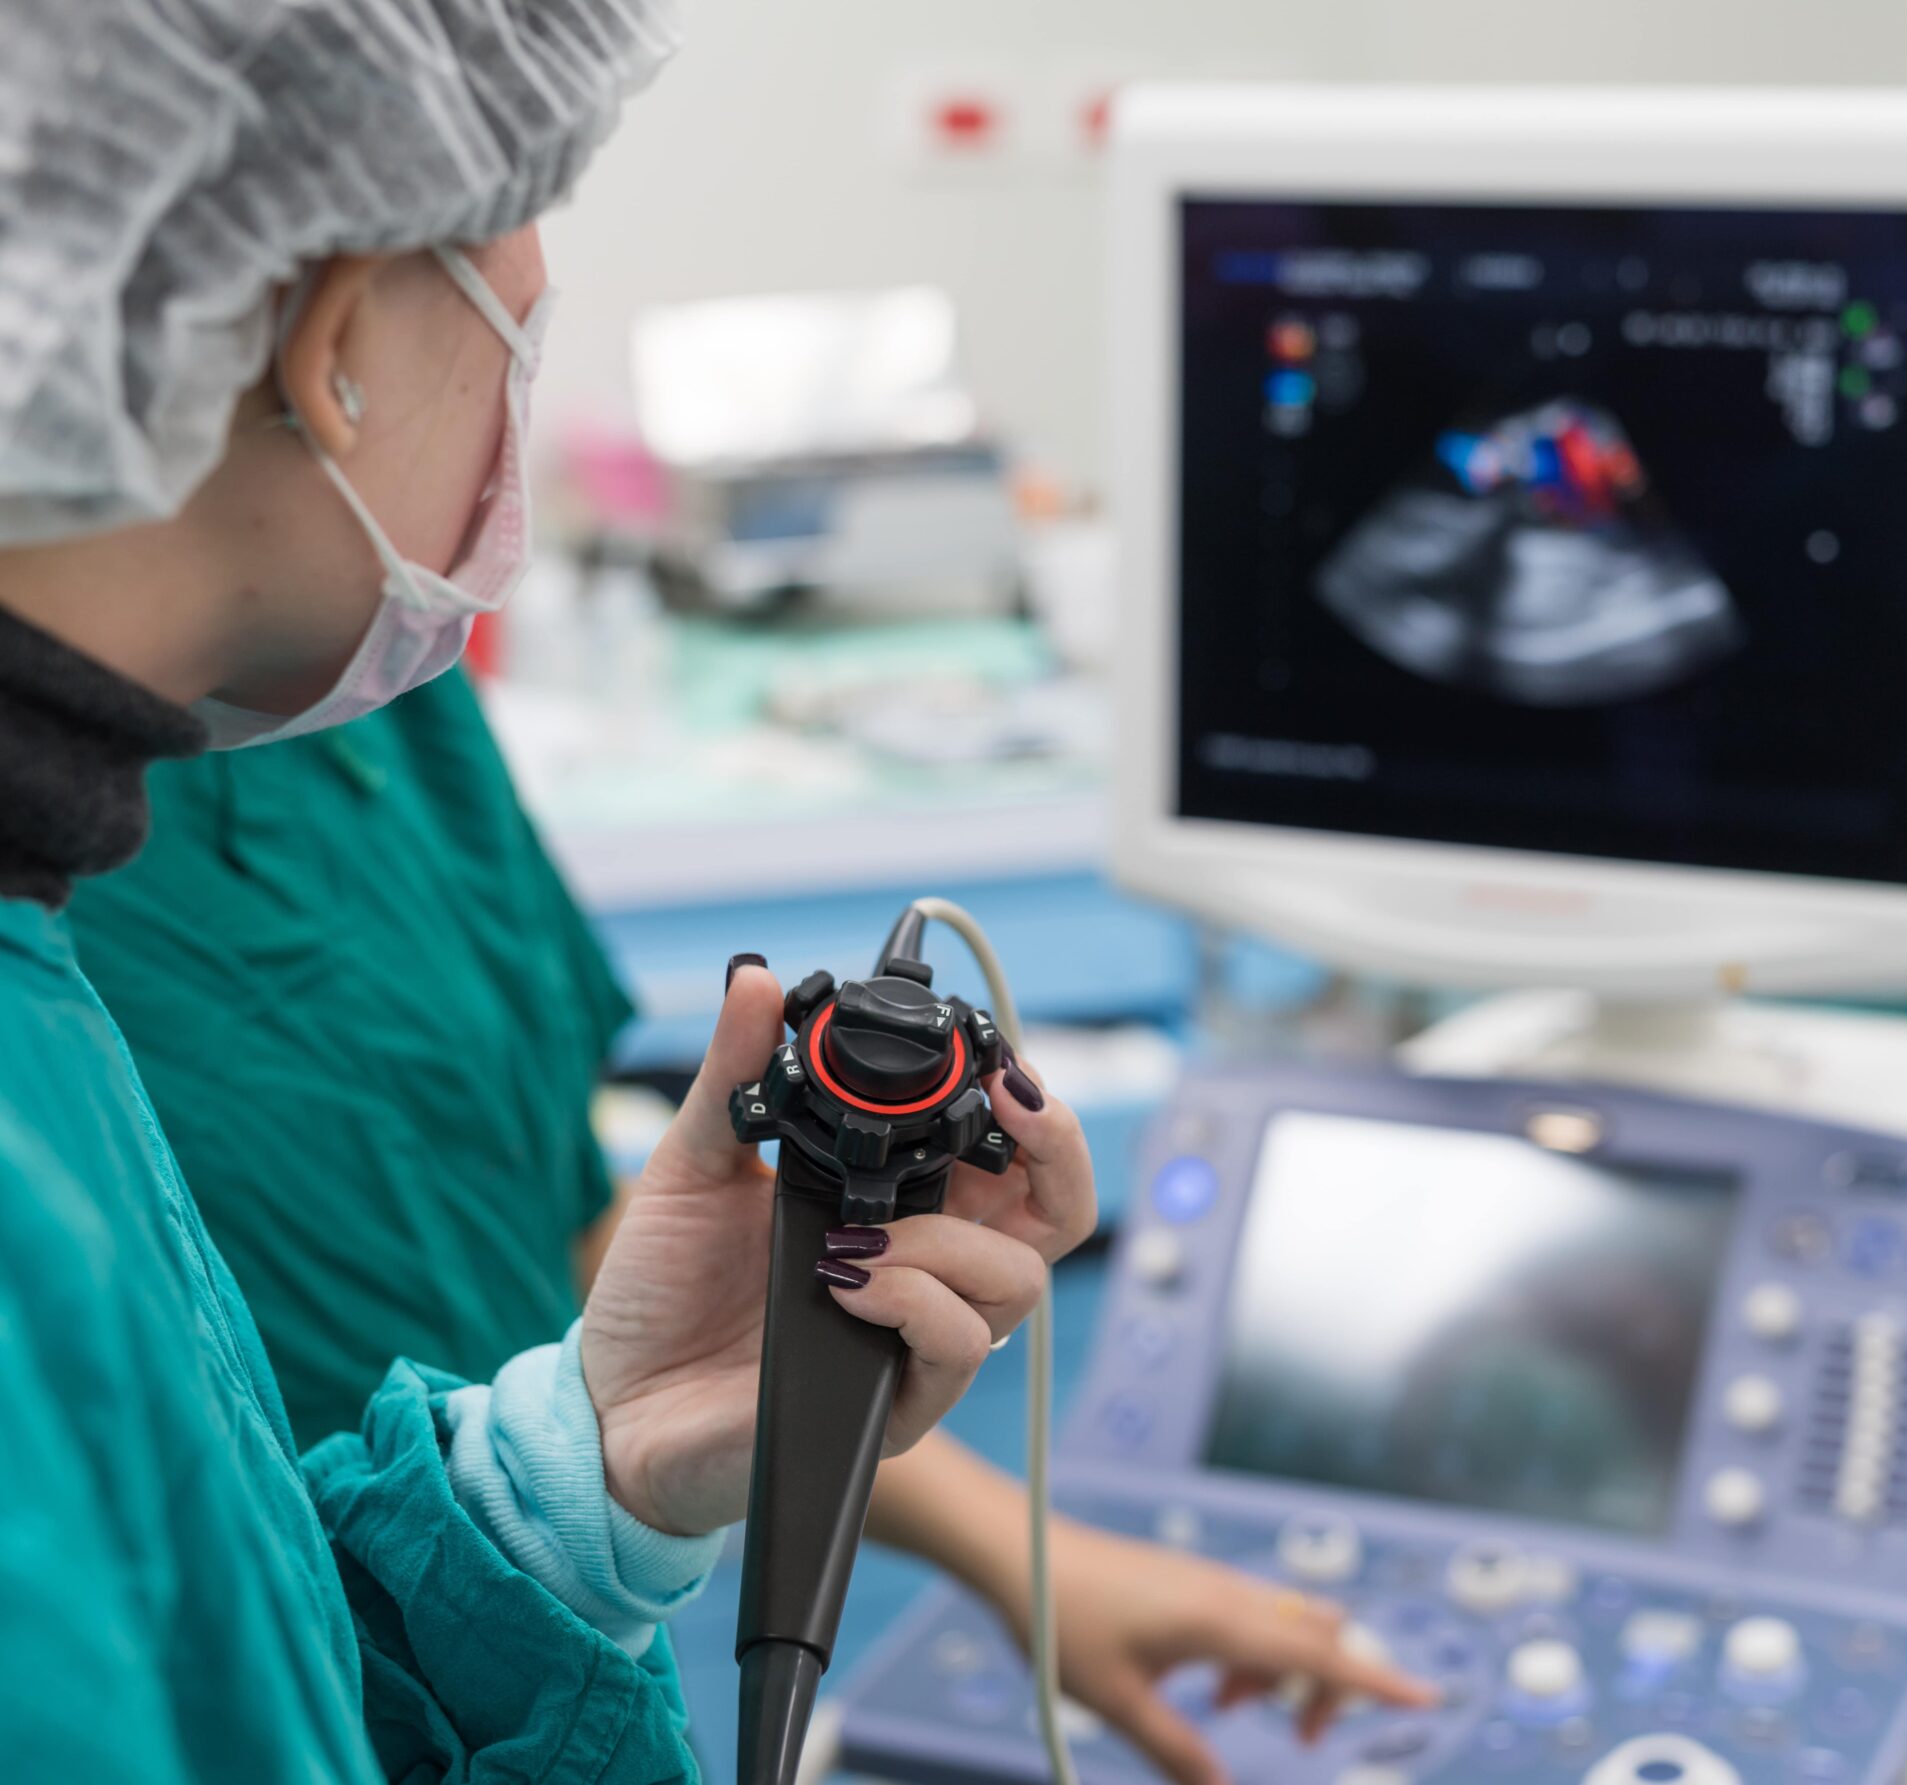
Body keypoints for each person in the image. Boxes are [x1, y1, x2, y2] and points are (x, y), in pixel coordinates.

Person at [0, 4, 1083, 1777]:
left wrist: (570, 1486)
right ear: (335, 335)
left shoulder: (41, 936)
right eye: (515, 222)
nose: (530, 307)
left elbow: (223, 1682)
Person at [68, 661, 1435, 1784]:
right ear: (314, 347)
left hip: (491, 1630)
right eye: (499, 319)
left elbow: (573, 1216)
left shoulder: (368, 683)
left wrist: (584, 1473)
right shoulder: (49, 957)